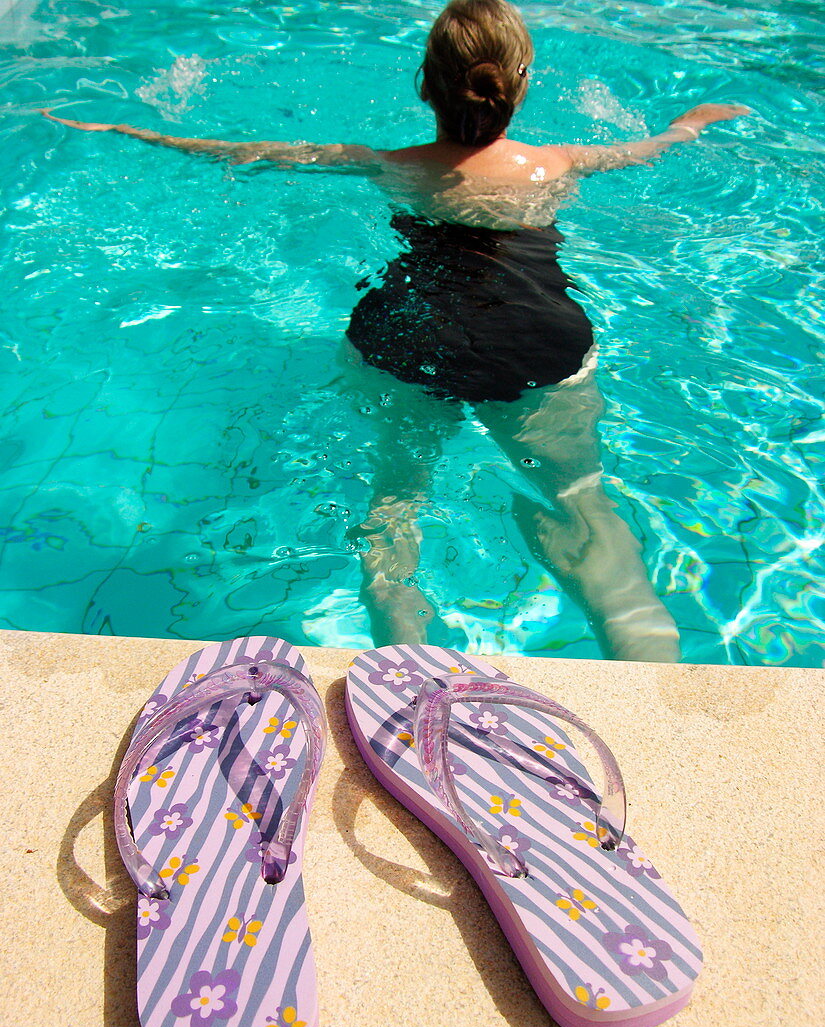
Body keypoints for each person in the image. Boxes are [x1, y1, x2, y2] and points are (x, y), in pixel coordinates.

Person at [41, 0, 747, 662]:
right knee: (577, 500)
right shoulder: (556, 162)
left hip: (411, 341)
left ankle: (400, 659)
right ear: (519, 84)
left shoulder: (387, 164)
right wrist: (693, 121)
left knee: (395, 499)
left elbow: (240, 151)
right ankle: (648, 664)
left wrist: (130, 131)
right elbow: (652, 146)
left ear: (424, 85)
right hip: (536, 344)